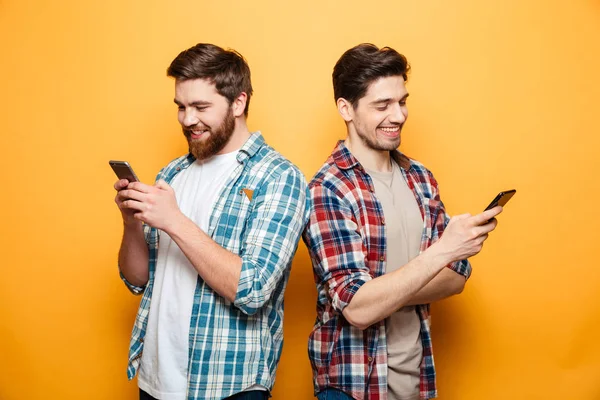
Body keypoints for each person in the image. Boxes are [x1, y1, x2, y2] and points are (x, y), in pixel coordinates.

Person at [302, 43, 502, 400]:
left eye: (402, 101)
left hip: (417, 382)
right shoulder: (327, 189)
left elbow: (455, 280)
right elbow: (359, 309)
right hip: (352, 387)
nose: (399, 115)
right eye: (382, 106)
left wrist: (382, 291)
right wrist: (442, 252)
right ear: (346, 109)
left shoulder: (420, 178)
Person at [113, 43, 308, 400]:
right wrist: (131, 223)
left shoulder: (279, 177)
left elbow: (253, 290)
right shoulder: (171, 173)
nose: (188, 119)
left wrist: (173, 220)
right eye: (182, 107)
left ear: (239, 102)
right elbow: (138, 279)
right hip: (155, 381)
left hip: (226, 386)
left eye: (201, 107)